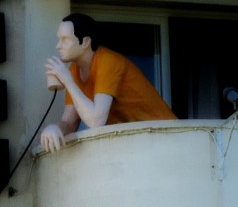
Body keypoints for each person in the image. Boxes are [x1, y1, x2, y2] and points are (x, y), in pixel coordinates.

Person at [39, 13, 175, 153]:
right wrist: (55, 128)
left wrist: (68, 81)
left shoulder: (108, 61)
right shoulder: (74, 69)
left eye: (65, 40)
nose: (58, 46)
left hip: (167, 136)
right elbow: (69, 122)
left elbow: (96, 122)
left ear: (85, 42)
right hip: (139, 141)